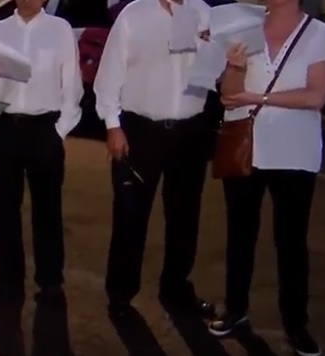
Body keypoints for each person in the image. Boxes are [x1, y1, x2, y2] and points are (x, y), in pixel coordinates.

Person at [207, 1, 325, 354]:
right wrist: (234, 67)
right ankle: (236, 311)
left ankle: (296, 325)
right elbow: (228, 96)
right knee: (240, 235)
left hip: (295, 153)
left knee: (291, 242)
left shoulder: (319, 34)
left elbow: (316, 95)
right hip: (246, 149)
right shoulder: (244, 27)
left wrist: (256, 96)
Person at [93, 0, 217, 318]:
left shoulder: (203, 12)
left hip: (192, 130)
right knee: (131, 215)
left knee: (184, 216)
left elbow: (214, 72)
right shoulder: (135, 14)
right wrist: (112, 126)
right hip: (140, 130)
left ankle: (176, 288)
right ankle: (121, 294)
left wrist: (216, 52)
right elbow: (109, 74)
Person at [0, 0, 83, 302]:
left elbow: (72, 88)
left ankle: (50, 281)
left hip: (44, 128)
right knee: (5, 211)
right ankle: (9, 283)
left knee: (47, 210)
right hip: (5, 127)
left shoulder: (59, 31)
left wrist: (58, 132)